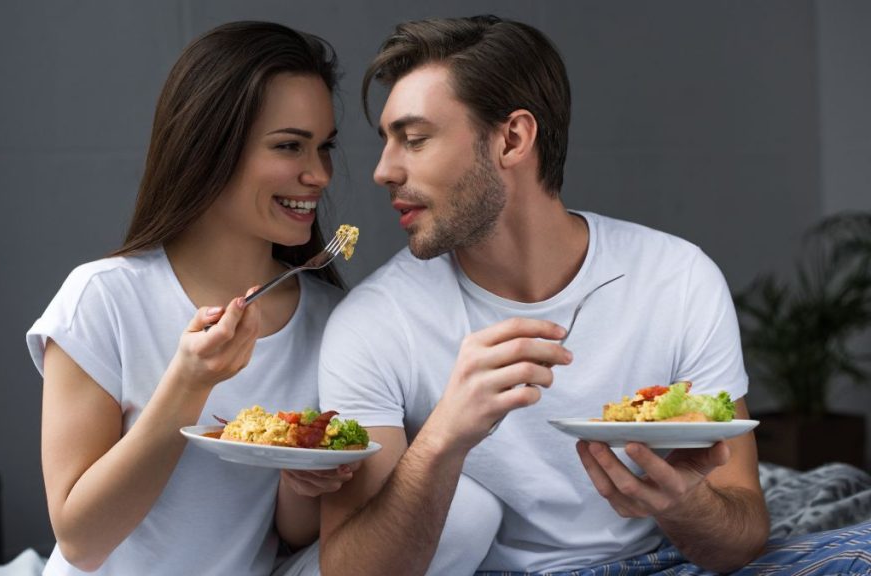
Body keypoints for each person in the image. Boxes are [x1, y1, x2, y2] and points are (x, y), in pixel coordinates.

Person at [317, 14, 871, 576]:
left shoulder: (675, 277)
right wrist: (441, 438)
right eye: (388, 142)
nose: (383, 170)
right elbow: (349, 568)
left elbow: (741, 538)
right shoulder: (375, 323)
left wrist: (684, 503)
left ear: (512, 138)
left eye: (414, 140)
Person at [26, 21, 352, 576]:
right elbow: (81, 542)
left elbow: (289, 534)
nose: (317, 174)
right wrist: (189, 384)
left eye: (324, 147)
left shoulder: (331, 319)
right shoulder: (103, 299)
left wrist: (305, 479)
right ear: (210, 146)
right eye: (289, 146)